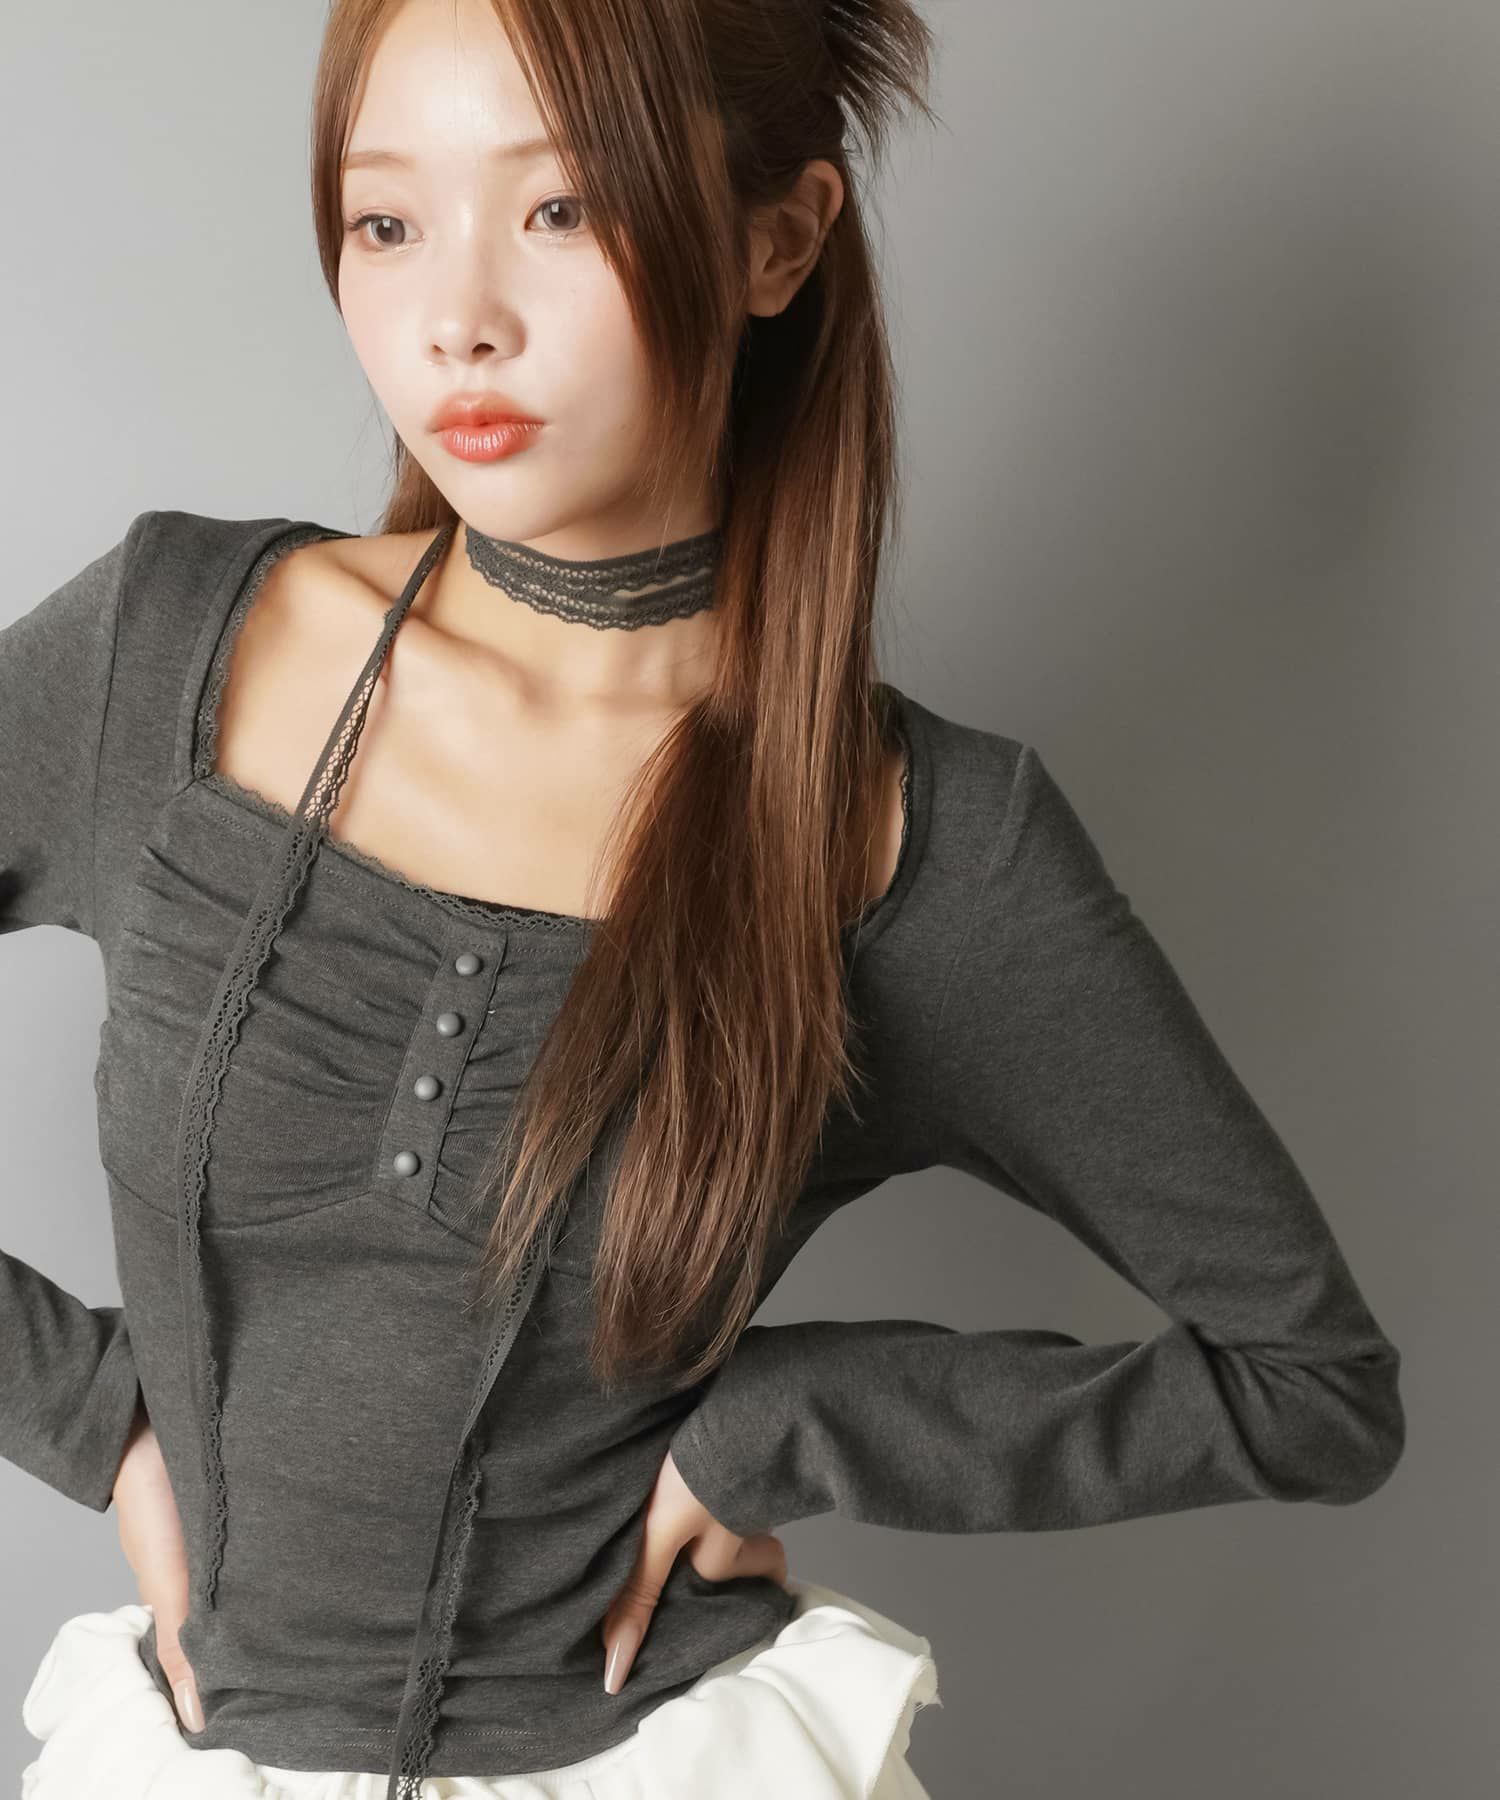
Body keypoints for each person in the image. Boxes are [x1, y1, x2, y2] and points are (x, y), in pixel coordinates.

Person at [7, 1, 1404, 1796]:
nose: (457, 318)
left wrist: (798, 1423)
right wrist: (89, 1410)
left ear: (779, 241)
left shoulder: (914, 843)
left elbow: (1313, 1385)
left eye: (560, 208)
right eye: (386, 221)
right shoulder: (170, 649)